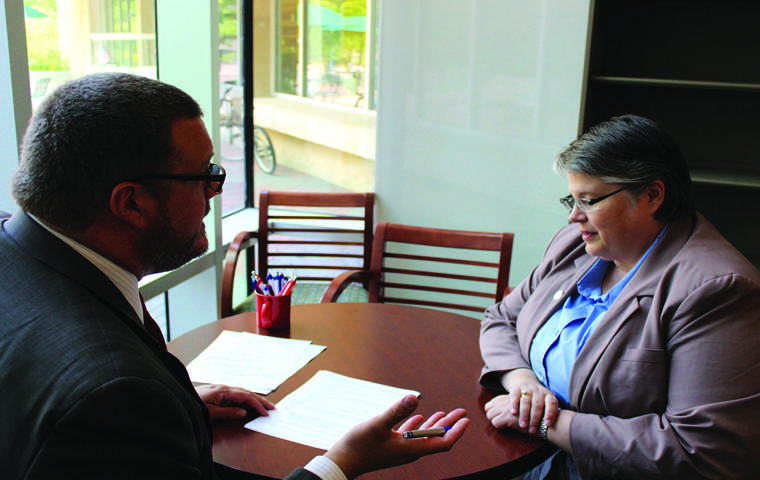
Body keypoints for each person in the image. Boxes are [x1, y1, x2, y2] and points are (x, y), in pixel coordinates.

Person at [0, 72, 469, 479]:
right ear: (131, 203)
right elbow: (99, 410)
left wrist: (182, 407)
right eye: (202, 175)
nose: (214, 191)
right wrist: (342, 462)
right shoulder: (118, 395)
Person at [479, 114, 760, 479]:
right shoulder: (574, 247)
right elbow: (501, 318)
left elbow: (699, 452)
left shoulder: (717, 290)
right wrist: (521, 382)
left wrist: (547, 423)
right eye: (571, 199)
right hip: (526, 460)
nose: (573, 218)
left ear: (652, 195)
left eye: (589, 200)